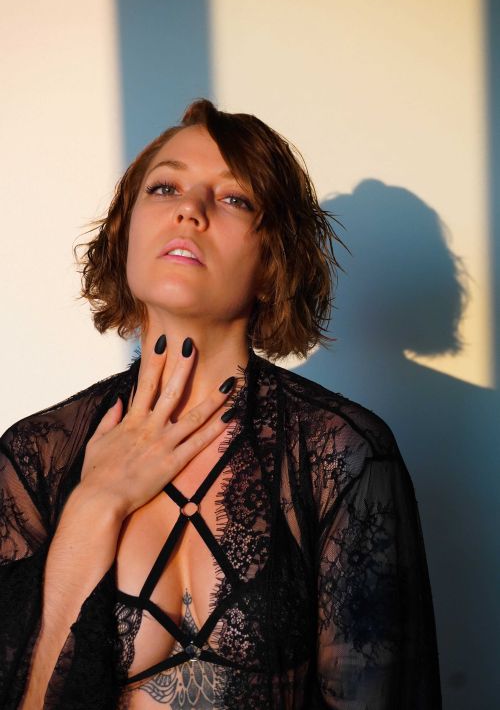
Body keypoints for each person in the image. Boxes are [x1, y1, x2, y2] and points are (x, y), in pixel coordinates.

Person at [0, 99, 442, 709]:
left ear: (273, 261)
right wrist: (93, 506)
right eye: (165, 187)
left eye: (234, 198)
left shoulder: (342, 452)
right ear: (125, 232)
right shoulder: (34, 456)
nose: (189, 209)